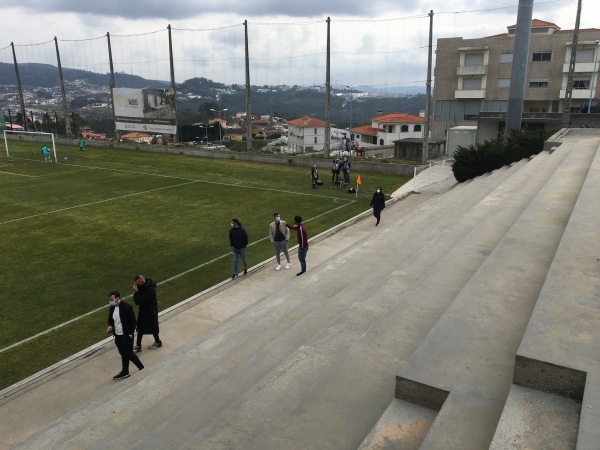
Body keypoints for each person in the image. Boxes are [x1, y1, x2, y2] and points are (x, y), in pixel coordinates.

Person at [106, 291, 144, 380]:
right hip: (118, 335)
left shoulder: (126, 307)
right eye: (110, 300)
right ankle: (125, 371)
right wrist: (110, 326)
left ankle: (141, 367)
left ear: (117, 298)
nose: (110, 301)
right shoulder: (112, 308)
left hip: (126, 336)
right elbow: (110, 320)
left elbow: (133, 322)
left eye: (112, 299)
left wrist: (130, 334)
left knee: (129, 353)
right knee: (123, 353)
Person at [132, 275, 162, 352]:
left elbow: (139, 301)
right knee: (140, 327)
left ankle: (158, 342)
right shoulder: (143, 286)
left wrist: (136, 292)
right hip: (144, 311)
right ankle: (138, 345)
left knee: (153, 327)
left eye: (137, 284)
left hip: (150, 311)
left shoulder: (149, 290)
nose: (137, 286)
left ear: (141, 281)